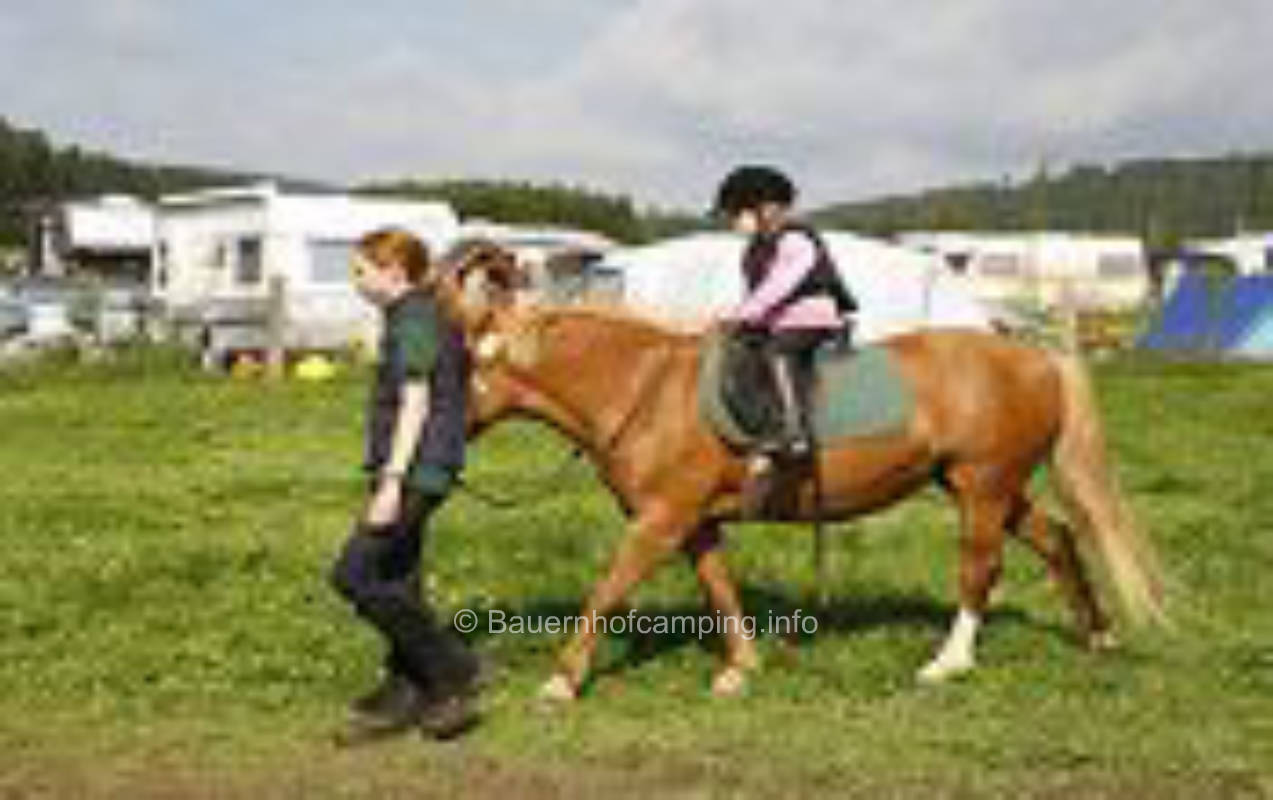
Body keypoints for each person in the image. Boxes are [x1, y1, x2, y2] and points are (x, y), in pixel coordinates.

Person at [329, 227, 479, 743]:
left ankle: (451, 672)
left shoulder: (414, 318)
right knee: (397, 579)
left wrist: (391, 483)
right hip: (416, 467)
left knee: (354, 574)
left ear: (392, 273)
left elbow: (416, 405)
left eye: (360, 271)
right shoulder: (410, 314)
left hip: (416, 472)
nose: (353, 280)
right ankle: (406, 689)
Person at [713, 165, 858, 474]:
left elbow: (778, 287)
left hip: (812, 317)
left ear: (764, 209)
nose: (733, 223)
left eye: (736, 214)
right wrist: (734, 317)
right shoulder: (755, 249)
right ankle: (759, 426)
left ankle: (793, 433)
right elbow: (757, 295)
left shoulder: (796, 241)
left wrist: (741, 315)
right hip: (777, 320)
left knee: (779, 351)